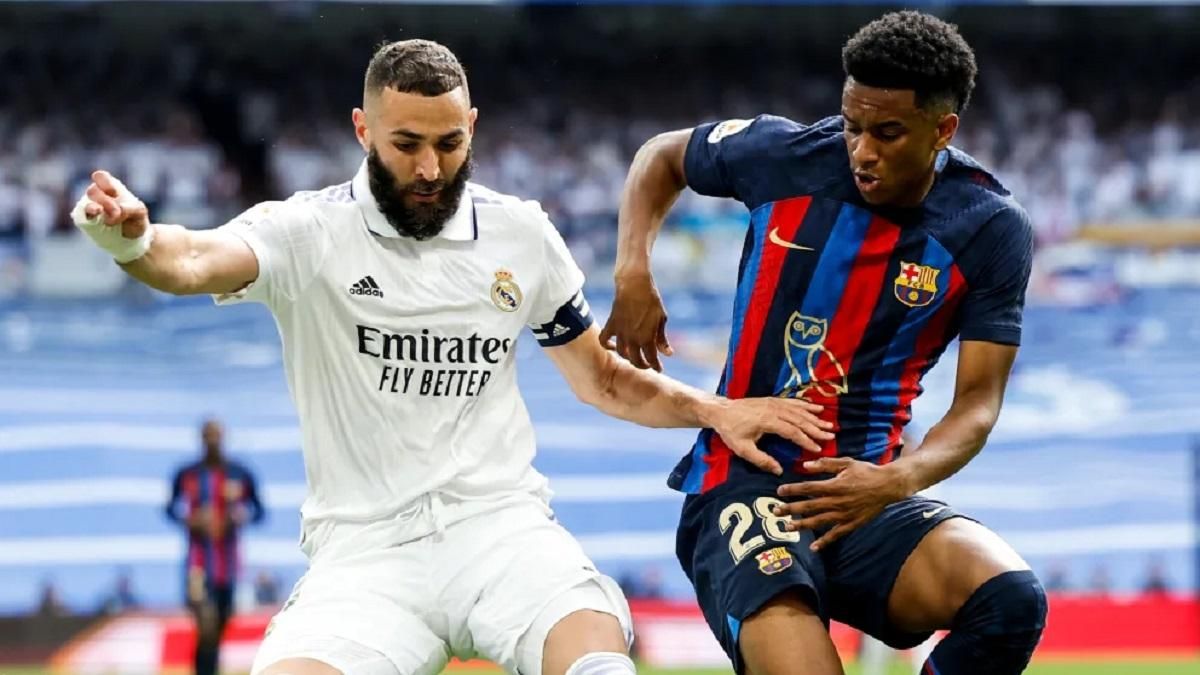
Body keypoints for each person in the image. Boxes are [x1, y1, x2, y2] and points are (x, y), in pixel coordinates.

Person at [72, 39, 830, 675]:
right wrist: (132, 240)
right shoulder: (308, 231)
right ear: (363, 130)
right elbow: (191, 259)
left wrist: (713, 409)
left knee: (598, 660)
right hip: (364, 553)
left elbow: (601, 377)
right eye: (406, 145)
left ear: (472, 126)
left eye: (448, 143)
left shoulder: (520, 233)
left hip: (501, 532)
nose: (430, 169)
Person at [602, 11, 1047, 675]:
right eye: (851, 125)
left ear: (942, 130)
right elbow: (661, 156)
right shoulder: (785, 155)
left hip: (866, 493)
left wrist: (897, 479)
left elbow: (978, 403)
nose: (861, 150)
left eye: (887, 133)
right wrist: (632, 271)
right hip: (744, 484)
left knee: (1010, 599)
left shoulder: (989, 227)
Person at [166, 418, 265, 675]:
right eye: (208, 435)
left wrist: (240, 516)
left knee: (217, 627)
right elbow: (170, 509)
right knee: (205, 622)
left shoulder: (239, 474)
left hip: (228, 567)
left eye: (216, 435)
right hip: (197, 565)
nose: (212, 441)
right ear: (201, 439)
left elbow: (259, 511)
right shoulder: (187, 474)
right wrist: (190, 520)